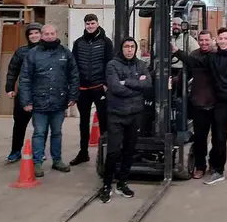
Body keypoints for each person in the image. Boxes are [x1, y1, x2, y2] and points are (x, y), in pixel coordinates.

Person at [177, 28, 227, 186]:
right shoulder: (213, 57)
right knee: (219, 139)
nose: (222, 41)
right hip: (221, 104)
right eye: (220, 38)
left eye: (225, 38)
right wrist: (177, 52)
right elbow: (194, 61)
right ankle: (218, 171)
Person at [19, 24, 80, 177]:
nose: (49, 36)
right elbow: (25, 78)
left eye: (52, 33)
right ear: (41, 35)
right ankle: (37, 162)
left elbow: (74, 75)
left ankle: (57, 160)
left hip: (59, 101)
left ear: (56, 33)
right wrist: (26, 101)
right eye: (46, 34)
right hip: (39, 102)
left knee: (57, 132)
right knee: (39, 132)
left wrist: (73, 96)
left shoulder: (65, 52)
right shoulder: (33, 54)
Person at [100, 37, 152, 204]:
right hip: (116, 114)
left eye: (132, 47)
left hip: (135, 114)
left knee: (130, 151)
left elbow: (148, 84)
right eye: (126, 47)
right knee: (114, 151)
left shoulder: (141, 64)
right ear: (121, 49)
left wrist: (127, 82)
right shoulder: (112, 65)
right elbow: (115, 87)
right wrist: (137, 87)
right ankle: (107, 185)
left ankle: (122, 183)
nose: (129, 50)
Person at [70, 14, 113, 167]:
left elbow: (110, 63)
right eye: (87, 23)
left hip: (99, 87)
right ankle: (83, 152)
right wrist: (74, 86)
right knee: (83, 121)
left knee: (103, 121)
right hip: (83, 89)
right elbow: (73, 66)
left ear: (97, 23)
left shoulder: (106, 42)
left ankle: (105, 153)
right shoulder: (78, 43)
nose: (90, 26)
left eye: (92, 23)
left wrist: (107, 83)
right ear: (85, 25)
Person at [174, 30, 216, 179]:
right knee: (200, 138)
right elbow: (185, 74)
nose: (204, 43)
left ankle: (215, 165)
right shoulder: (194, 55)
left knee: (218, 138)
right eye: (201, 40)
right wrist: (173, 83)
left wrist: (178, 52)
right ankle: (200, 166)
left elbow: (201, 63)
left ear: (212, 40)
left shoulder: (217, 55)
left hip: (217, 104)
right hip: (199, 103)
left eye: (207, 40)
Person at [4, 22, 42, 163]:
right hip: (24, 93)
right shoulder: (21, 52)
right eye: (31, 33)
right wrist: (9, 88)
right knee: (19, 124)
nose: (34, 35)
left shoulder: (48, 51)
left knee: (40, 127)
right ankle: (15, 151)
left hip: (41, 94)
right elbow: (12, 70)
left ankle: (39, 153)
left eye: (36, 32)